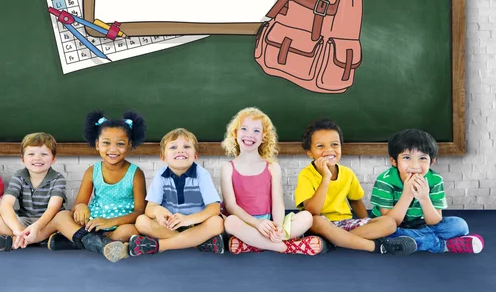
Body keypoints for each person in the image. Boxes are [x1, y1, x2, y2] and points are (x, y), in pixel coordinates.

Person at [295, 118, 416, 255]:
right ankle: (374, 246)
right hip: (320, 225)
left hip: (345, 224)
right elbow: (312, 211)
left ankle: (335, 241)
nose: (329, 150)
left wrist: (367, 222)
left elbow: (355, 201)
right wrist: (326, 178)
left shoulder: (347, 173)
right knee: (316, 221)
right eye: (320, 146)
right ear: (309, 152)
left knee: (389, 223)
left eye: (334, 144)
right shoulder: (306, 175)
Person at [221, 107, 328, 255]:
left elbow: (277, 202)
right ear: (235, 133)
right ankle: (286, 247)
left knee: (307, 217)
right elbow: (231, 206)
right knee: (229, 222)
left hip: (269, 224)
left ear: (264, 137)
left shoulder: (272, 167)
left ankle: (253, 245)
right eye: (244, 129)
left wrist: (277, 227)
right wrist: (257, 224)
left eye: (256, 131)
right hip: (244, 223)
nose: (249, 135)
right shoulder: (228, 168)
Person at [46, 110, 147, 263]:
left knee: (130, 231)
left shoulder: (136, 173)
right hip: (92, 224)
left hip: (120, 224)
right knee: (62, 216)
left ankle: (81, 241)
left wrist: (111, 222)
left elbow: (140, 211)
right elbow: (77, 205)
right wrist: (81, 207)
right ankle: (100, 245)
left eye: (120, 144)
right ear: (97, 145)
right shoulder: (92, 171)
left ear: (129, 145)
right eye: (106, 143)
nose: (113, 149)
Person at [370, 128, 484, 254]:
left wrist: (424, 198)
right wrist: (407, 195)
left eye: (422, 158)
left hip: (420, 225)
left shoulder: (435, 180)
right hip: (390, 226)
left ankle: (408, 242)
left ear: (432, 161)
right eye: (407, 157)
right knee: (381, 232)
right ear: (394, 161)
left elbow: (434, 220)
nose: (415, 166)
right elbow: (390, 221)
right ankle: (442, 245)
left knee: (459, 225)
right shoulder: (385, 180)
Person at [129, 128, 224, 256]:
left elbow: (214, 208)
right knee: (141, 221)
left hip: (196, 224)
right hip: (170, 226)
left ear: (195, 156)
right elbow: (149, 209)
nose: (180, 150)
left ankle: (160, 246)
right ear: (162, 157)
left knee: (217, 223)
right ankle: (198, 243)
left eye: (187, 146)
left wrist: (188, 219)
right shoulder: (161, 176)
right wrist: (158, 211)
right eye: (173, 147)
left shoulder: (202, 175)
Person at [0, 132, 66, 252]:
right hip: (25, 221)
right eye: (31, 154)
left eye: (44, 154)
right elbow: (6, 204)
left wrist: (37, 226)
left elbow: (53, 208)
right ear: (23, 159)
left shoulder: (58, 178)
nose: (37, 158)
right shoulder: (19, 176)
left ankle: (15, 241)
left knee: (65, 217)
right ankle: (33, 239)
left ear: (53, 159)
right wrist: (17, 229)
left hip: (48, 222)